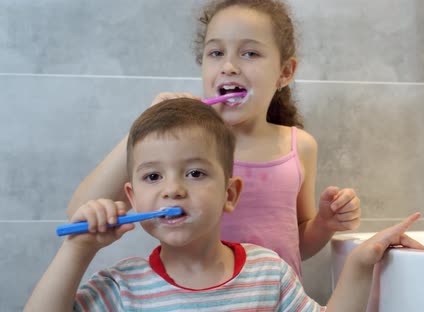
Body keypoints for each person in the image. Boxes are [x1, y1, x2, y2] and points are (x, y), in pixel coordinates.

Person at [27, 98, 424, 311]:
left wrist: (361, 262)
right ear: (131, 198)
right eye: (153, 177)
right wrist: (77, 251)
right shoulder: (123, 287)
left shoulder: (268, 274)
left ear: (230, 194)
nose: (173, 190)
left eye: (195, 173)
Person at [67, 0, 361, 277]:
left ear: (285, 72)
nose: (229, 66)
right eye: (216, 53)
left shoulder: (300, 146)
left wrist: (324, 223)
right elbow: (80, 216)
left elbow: (295, 243)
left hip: (274, 300)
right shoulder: (182, 147)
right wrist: (143, 128)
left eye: (250, 53)